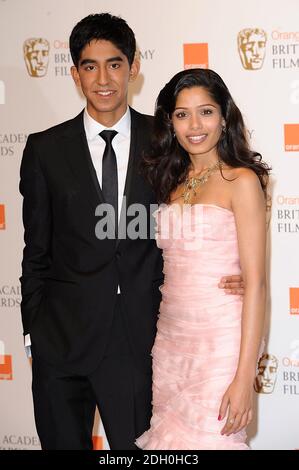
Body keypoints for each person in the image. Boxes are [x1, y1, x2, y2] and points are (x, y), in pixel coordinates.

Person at [19, 14, 244, 450]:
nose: (103, 78)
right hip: (60, 346)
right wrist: (34, 335)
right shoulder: (44, 149)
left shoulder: (167, 138)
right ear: (75, 73)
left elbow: (207, 201)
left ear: (134, 67)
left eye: (115, 63)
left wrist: (231, 273)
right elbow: (35, 251)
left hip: (138, 343)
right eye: (90, 65)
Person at [136, 68, 270, 450]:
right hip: (171, 342)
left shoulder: (240, 181)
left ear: (224, 117)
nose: (195, 125)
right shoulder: (169, 181)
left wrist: (245, 376)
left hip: (220, 343)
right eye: (182, 114)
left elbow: (257, 283)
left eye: (206, 112)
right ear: (170, 122)